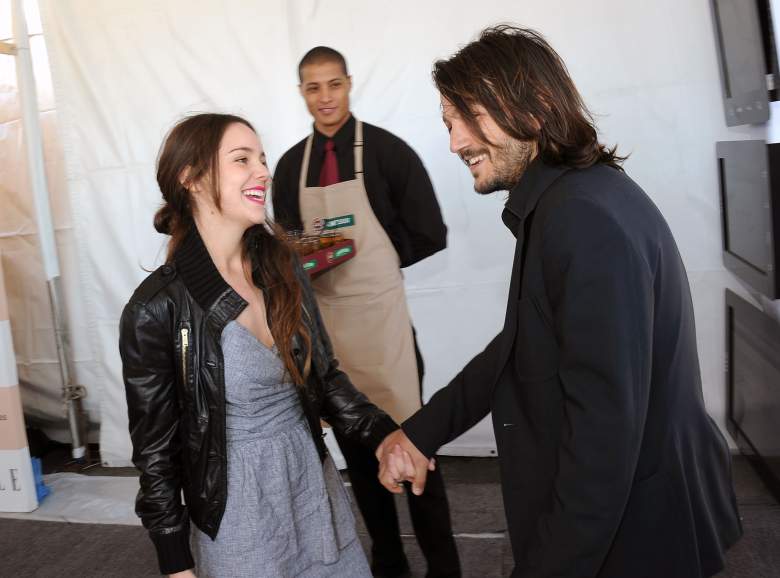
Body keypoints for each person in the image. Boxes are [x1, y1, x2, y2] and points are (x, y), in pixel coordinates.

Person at [377, 25, 743, 578]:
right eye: (448, 122)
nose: (455, 142)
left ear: (537, 106)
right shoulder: (568, 200)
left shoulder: (581, 218)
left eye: (467, 116)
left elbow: (603, 441)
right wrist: (422, 431)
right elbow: (522, 342)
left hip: (637, 534)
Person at [119, 113, 401, 578]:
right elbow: (156, 453)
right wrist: (175, 562)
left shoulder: (282, 269)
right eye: (241, 160)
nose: (263, 172)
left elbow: (324, 377)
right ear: (190, 178)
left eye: (262, 159)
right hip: (238, 516)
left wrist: (387, 435)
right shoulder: (156, 309)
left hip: (314, 489)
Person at [273, 47, 460, 578]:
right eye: (313, 88)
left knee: (418, 449)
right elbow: (286, 249)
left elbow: (430, 231)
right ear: (302, 93)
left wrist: (374, 260)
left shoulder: (387, 151)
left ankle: (445, 567)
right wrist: (316, 260)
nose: (325, 97)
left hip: (387, 329)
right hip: (332, 336)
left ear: (349, 84)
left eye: (333, 85)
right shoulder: (290, 166)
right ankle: (389, 562)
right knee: (360, 456)